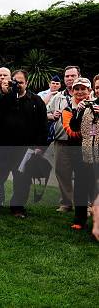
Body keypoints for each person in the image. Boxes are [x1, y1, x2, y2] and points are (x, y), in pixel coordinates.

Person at [0, 70, 48, 217]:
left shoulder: (35, 101)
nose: (17, 85)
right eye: (14, 82)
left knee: (22, 180)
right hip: (1, 147)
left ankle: (17, 208)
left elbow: (43, 126)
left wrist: (40, 147)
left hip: (24, 149)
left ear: (27, 83)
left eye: (21, 82)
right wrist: (7, 93)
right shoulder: (2, 98)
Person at [62, 77, 98, 230]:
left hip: (95, 152)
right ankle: (79, 219)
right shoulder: (70, 108)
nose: (80, 92)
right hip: (78, 153)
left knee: (95, 187)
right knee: (81, 186)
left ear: (90, 90)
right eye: (76, 89)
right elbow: (73, 130)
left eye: (83, 88)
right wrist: (79, 111)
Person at [47, 66, 81, 212]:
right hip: (61, 139)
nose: (69, 78)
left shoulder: (85, 94)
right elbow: (46, 113)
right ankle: (66, 203)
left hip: (81, 140)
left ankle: (83, 204)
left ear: (79, 76)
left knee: (82, 173)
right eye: (67, 76)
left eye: (72, 75)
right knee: (62, 172)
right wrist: (52, 115)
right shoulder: (58, 96)